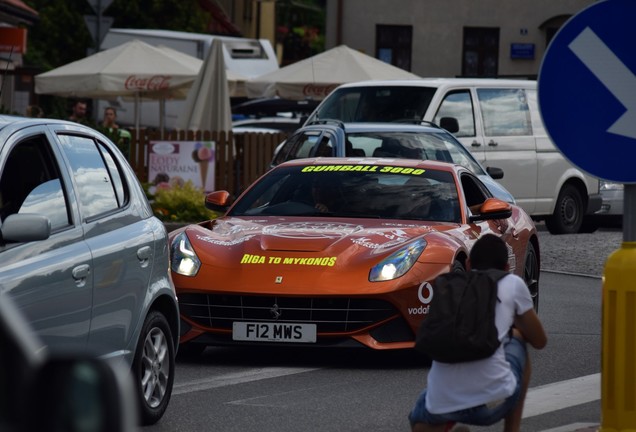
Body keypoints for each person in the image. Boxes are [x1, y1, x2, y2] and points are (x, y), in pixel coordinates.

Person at [409, 234, 547, 432]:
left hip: (441, 405)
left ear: (468, 264)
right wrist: (513, 325)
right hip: (495, 401)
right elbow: (539, 340)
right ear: (507, 269)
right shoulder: (513, 284)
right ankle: (512, 430)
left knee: (423, 408)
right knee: (518, 340)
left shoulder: (448, 287)